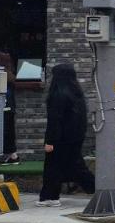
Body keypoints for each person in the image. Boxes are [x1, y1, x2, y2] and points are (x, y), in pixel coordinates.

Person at [37, 62, 95, 206]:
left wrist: (49, 141)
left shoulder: (57, 95)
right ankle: (97, 189)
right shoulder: (77, 94)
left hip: (59, 139)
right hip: (75, 137)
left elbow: (54, 121)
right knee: (76, 167)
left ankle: (50, 196)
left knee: (53, 167)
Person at [0, 51, 19, 164]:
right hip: (9, 107)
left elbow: (0, 93)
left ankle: (7, 154)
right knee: (9, 131)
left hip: (4, 108)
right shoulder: (9, 75)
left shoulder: (1, 75)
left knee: (4, 132)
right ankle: (12, 155)